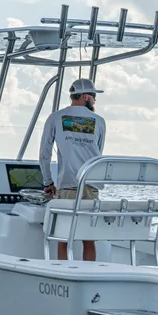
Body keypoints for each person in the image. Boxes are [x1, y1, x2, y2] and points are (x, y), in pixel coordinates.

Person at [39, 78, 106, 261]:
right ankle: (89, 272)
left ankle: (63, 272)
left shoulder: (55, 118)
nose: (94, 101)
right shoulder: (99, 121)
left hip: (67, 184)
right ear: (85, 96)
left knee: (63, 237)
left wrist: (48, 182)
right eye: (93, 97)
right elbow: (98, 154)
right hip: (91, 185)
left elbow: (44, 154)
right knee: (89, 238)